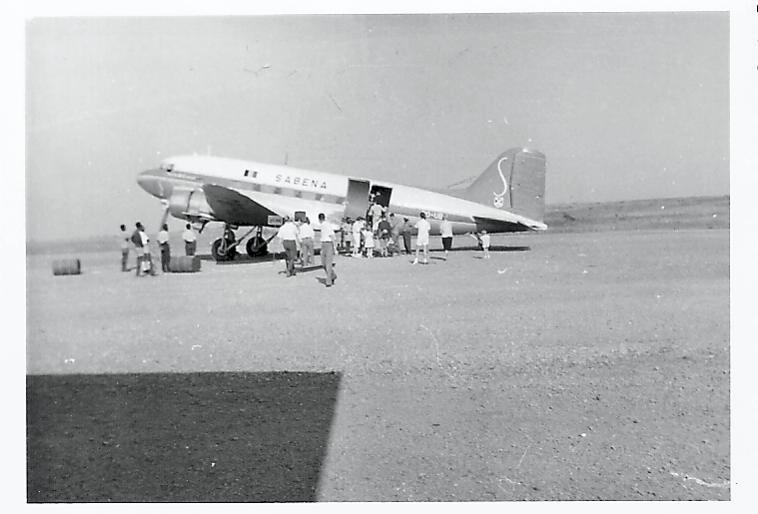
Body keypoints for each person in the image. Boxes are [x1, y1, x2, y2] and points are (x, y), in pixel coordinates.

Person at [318, 213, 338, 287]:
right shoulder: (322, 225)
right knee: (323, 263)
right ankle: (332, 275)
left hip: (329, 244)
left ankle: (328, 281)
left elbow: (333, 236)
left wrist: (335, 248)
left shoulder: (327, 225)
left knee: (328, 263)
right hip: (323, 244)